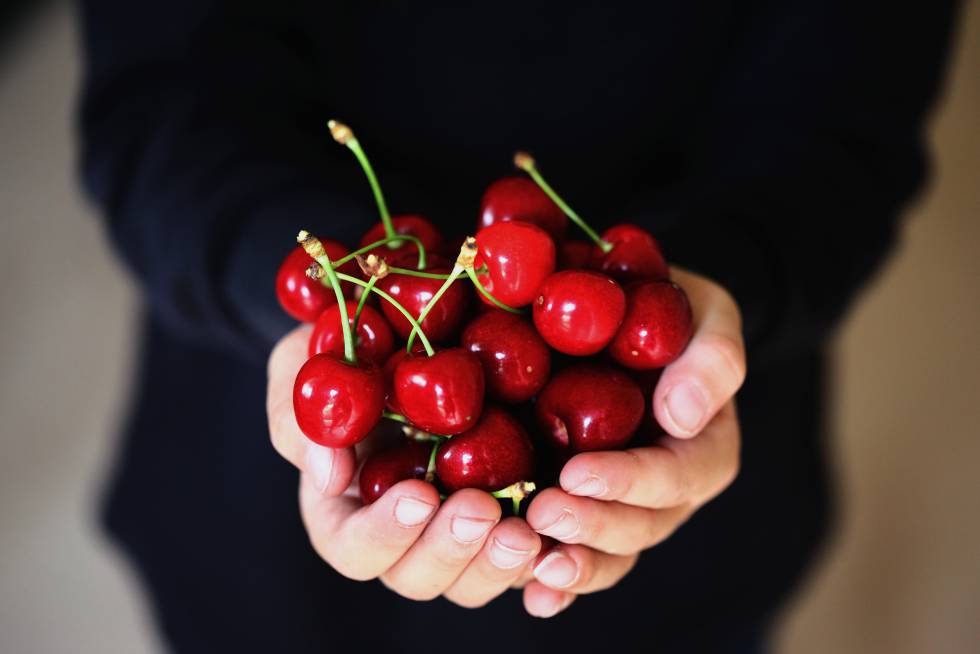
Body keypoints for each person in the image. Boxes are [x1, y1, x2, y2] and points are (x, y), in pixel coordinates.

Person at [77, 1, 957, 652]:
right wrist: (305, 282)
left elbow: (846, 120)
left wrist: (721, 279)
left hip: (663, 508)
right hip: (262, 510)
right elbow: (159, 94)